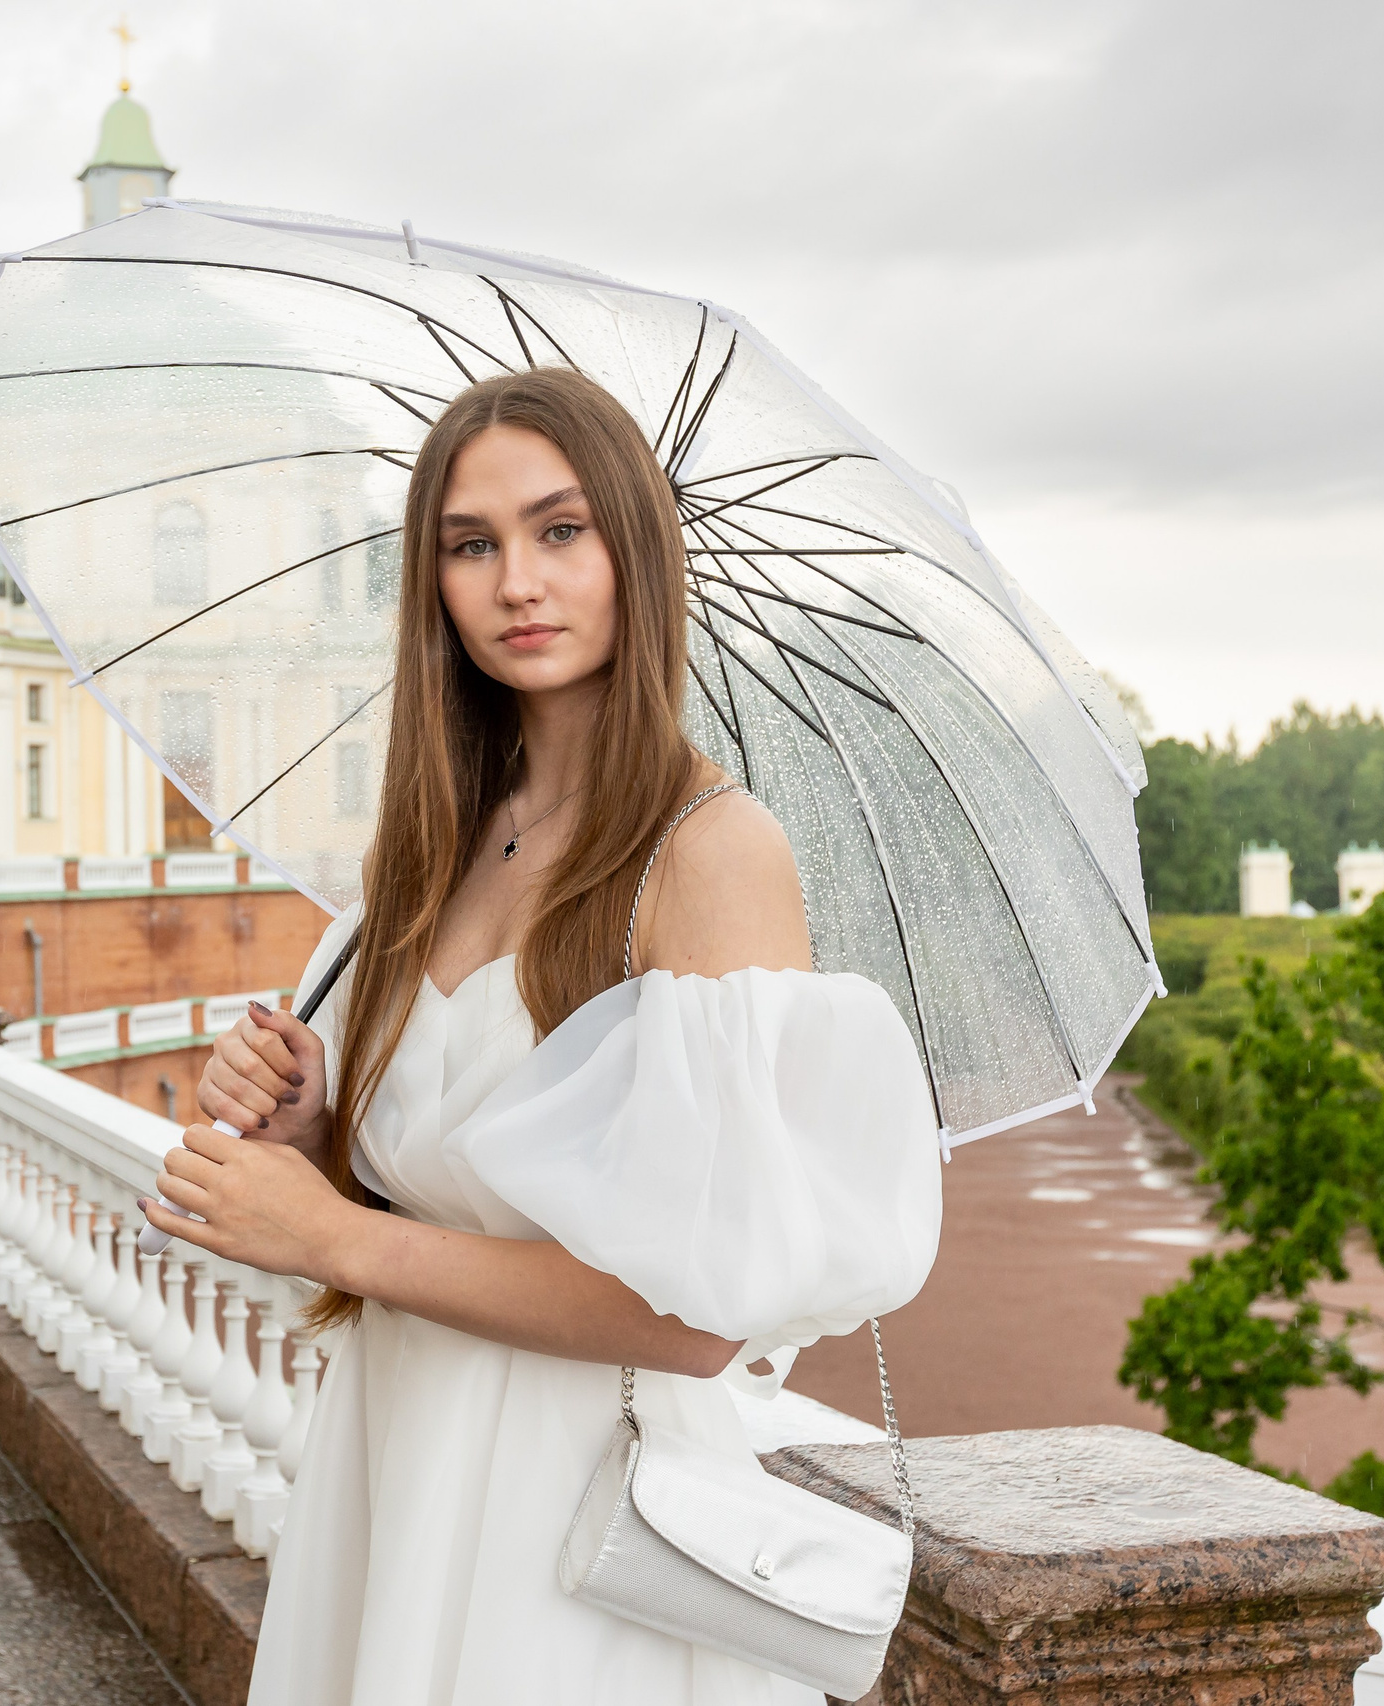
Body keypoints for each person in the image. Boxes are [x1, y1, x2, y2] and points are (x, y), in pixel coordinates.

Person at [141, 367, 943, 1705]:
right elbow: (450, 1190)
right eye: (472, 543)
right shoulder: (437, 842)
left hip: (574, 1524)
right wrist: (313, 1136)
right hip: (393, 1462)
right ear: (433, 581)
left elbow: (696, 1316)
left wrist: (336, 1234)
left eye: (561, 530)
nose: (518, 579)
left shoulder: (707, 854)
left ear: (635, 547)